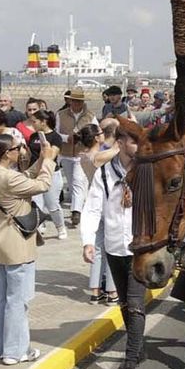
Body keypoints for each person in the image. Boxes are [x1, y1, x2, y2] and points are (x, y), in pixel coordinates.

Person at [80, 129, 155, 369]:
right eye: (133, 141)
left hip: (140, 248)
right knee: (124, 303)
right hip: (114, 246)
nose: (138, 145)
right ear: (121, 143)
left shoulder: (148, 171)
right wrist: (88, 241)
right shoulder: (104, 173)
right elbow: (92, 208)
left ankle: (128, 366)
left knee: (135, 304)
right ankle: (139, 347)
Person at [0, 133, 54, 366]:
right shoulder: (8, 178)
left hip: (0, 242)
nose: (21, 150)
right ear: (7, 153)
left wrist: (41, 160)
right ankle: (16, 351)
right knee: (18, 300)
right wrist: (50, 161)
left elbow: (26, 178)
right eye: (17, 147)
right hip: (17, 245)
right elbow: (42, 185)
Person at [77, 122, 120, 303]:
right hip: (107, 204)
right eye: (100, 133)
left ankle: (95, 290)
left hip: (93, 203)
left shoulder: (83, 156)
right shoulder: (98, 156)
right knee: (111, 248)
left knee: (97, 248)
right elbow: (116, 150)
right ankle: (111, 291)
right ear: (96, 138)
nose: (103, 135)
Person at [56, 91, 96, 226]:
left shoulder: (91, 116)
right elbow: (56, 133)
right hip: (66, 153)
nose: (77, 104)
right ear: (70, 101)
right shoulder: (60, 115)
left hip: (81, 154)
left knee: (78, 181)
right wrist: (67, 138)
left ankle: (76, 212)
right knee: (72, 183)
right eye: (74, 101)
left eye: (79, 101)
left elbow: (96, 132)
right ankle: (81, 206)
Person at [27, 110, 68, 239]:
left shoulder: (55, 137)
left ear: (43, 122)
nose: (32, 124)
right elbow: (29, 154)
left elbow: (52, 155)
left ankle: (60, 227)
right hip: (35, 174)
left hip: (51, 173)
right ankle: (39, 227)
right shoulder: (34, 137)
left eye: (34, 121)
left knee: (52, 204)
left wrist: (45, 152)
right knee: (36, 203)